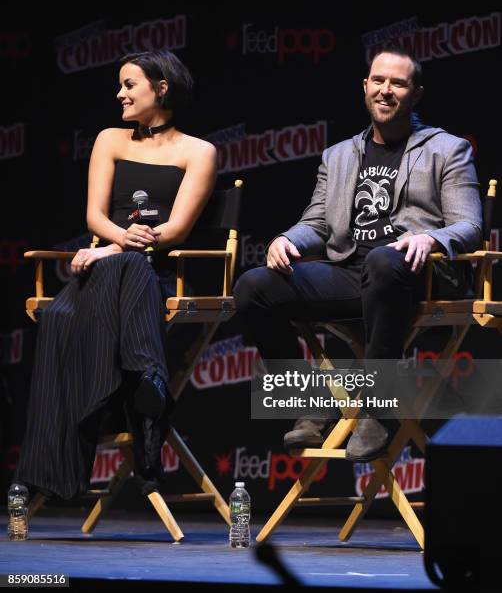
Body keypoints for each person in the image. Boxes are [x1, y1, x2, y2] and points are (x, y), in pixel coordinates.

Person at [234, 47, 482, 461]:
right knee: (254, 286)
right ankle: (308, 405)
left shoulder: (447, 149)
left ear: (416, 93)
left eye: (398, 83)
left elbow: (470, 225)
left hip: (417, 273)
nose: (386, 91)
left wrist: (431, 239)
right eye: (378, 81)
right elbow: (315, 224)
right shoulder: (339, 155)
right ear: (365, 87)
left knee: (384, 259)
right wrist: (285, 239)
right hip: (352, 271)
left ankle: (377, 406)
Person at [10, 50, 217, 516]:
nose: (119, 94)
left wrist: (114, 249)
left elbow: (177, 230)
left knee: (133, 268)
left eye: (129, 85)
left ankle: (144, 389)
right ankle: (150, 383)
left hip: (152, 272)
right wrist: (118, 241)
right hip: (105, 271)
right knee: (63, 312)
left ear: (161, 88)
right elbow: (94, 216)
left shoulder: (199, 151)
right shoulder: (109, 139)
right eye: (119, 86)